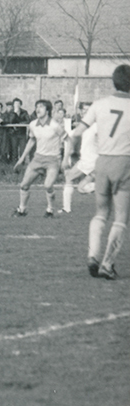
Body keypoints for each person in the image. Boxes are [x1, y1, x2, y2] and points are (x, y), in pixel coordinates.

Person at [66, 64, 130, 280]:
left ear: (114, 81)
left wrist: (69, 155)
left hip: (101, 162)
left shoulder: (99, 104)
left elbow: (77, 132)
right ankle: (107, 265)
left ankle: (93, 255)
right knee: (121, 217)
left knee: (101, 212)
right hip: (124, 162)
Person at [13, 100, 68, 218]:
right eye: (36, 106)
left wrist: (65, 160)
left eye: (41, 107)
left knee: (48, 185)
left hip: (53, 160)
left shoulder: (54, 125)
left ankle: (50, 210)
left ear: (47, 110)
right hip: (38, 158)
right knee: (24, 185)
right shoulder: (33, 124)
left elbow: (68, 140)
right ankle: (22, 209)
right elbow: (32, 140)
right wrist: (21, 159)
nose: (38, 109)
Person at [60, 121, 97, 213]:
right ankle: (107, 187)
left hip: (88, 161)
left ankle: (66, 208)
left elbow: (71, 146)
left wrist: (65, 159)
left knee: (69, 177)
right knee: (81, 188)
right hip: (95, 161)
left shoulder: (95, 126)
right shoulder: (87, 127)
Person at [6, 98, 30, 163]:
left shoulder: (24, 112)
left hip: (22, 133)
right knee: (14, 149)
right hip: (13, 133)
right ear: (13, 105)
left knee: (22, 149)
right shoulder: (10, 112)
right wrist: (14, 113)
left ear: (20, 104)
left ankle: (22, 163)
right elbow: (10, 121)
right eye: (15, 103)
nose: (17, 105)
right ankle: (14, 163)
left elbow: (28, 121)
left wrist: (19, 124)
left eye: (18, 103)